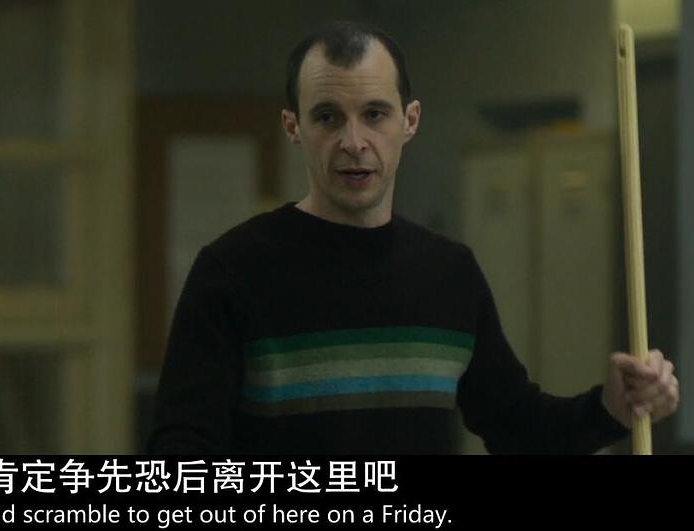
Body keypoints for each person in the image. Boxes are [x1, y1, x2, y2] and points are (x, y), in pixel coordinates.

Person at [146, 21, 679, 454]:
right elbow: (181, 456)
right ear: (293, 128)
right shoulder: (232, 272)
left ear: (410, 120)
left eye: (374, 114)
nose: (353, 142)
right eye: (328, 117)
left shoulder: (449, 275)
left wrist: (610, 409)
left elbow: (517, 427)